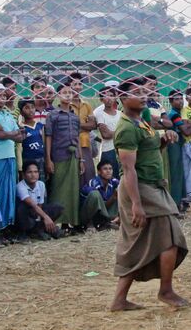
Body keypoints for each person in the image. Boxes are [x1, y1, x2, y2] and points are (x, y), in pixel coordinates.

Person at [111, 77, 187, 311]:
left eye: (145, 91)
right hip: (140, 189)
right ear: (123, 98)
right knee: (170, 238)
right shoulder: (126, 128)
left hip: (151, 186)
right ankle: (166, 291)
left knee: (137, 243)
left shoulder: (141, 121)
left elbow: (148, 150)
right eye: (138, 92)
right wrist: (136, 204)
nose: (144, 95)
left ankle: (119, 300)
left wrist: (164, 140)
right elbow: (128, 169)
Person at [0, 82, 24, 237]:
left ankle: (7, 225)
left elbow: (21, 136)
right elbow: (0, 135)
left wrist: (8, 133)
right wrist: (12, 133)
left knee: (10, 192)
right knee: (0, 192)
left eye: (4, 96)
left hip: (10, 157)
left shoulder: (7, 114)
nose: (2, 98)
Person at [44, 81, 83, 231]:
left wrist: (81, 159)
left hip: (74, 157)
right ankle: (56, 222)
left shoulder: (75, 117)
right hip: (58, 156)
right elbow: (48, 137)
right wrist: (48, 159)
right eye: (64, 93)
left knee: (72, 189)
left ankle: (69, 221)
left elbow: (78, 138)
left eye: (70, 93)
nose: (68, 95)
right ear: (58, 95)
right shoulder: (53, 115)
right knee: (58, 188)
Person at [15, 161, 62, 240]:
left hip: (36, 214)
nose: (33, 175)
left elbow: (40, 205)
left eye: (36, 172)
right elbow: (33, 205)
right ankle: (29, 232)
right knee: (22, 208)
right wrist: (46, 217)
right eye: (30, 172)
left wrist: (41, 219)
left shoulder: (41, 184)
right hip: (25, 216)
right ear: (23, 174)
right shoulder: (20, 186)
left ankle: (39, 229)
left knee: (58, 207)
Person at [92, 82, 122, 177]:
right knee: (109, 177)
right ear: (101, 99)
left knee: (121, 176)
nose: (109, 98)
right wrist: (121, 132)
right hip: (108, 150)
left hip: (121, 149)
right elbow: (106, 135)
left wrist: (113, 132)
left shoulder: (120, 114)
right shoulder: (99, 114)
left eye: (111, 96)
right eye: (105, 96)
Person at [80, 161, 120, 230]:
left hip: (102, 213)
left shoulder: (113, 181)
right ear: (99, 172)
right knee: (95, 194)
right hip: (87, 215)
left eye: (110, 169)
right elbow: (99, 205)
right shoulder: (94, 182)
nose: (108, 171)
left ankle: (114, 220)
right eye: (105, 169)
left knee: (120, 190)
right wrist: (113, 197)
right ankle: (91, 224)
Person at [18, 99, 46, 184]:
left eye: (32, 107)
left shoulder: (40, 125)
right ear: (21, 112)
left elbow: (44, 143)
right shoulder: (21, 128)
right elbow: (19, 148)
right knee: (28, 184)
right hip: (27, 160)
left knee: (41, 183)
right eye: (27, 108)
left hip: (41, 160)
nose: (31, 110)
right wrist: (20, 167)